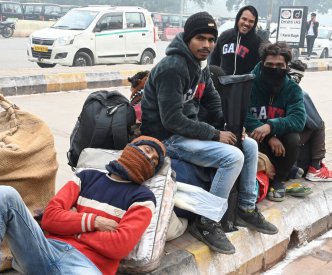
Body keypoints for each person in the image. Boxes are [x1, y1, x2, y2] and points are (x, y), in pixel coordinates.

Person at [141, 11, 277, 255]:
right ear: (188, 38)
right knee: (232, 157)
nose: (207, 45)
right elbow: (171, 120)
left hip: (186, 133)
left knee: (249, 146)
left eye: (211, 40)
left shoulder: (199, 65)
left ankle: (246, 209)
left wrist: (232, 127)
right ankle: (207, 221)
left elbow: (214, 103)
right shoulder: (173, 68)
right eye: (200, 38)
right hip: (165, 138)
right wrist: (215, 135)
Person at [0, 136, 166, 275]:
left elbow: (119, 245)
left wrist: (72, 226)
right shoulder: (86, 177)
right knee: (2, 194)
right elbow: (50, 218)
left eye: (154, 161)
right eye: (147, 150)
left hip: (86, 266)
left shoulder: (143, 198)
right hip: (45, 250)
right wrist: (93, 221)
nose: (149, 158)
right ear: (131, 147)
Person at [244, 42, 306, 202]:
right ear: (262, 63)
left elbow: (298, 119)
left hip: (282, 144)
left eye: (280, 65)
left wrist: (271, 126)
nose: (274, 69)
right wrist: (268, 135)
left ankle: (279, 180)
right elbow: (241, 115)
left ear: (286, 66)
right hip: (257, 141)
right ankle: (276, 174)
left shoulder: (293, 89)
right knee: (253, 137)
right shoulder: (248, 84)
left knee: (294, 138)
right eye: (269, 64)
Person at [288, 60, 332, 181]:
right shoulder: (298, 92)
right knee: (319, 124)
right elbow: (317, 123)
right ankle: (315, 168)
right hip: (281, 139)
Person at [209, 5, 262, 75]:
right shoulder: (224, 36)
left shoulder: (258, 43)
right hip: (223, 83)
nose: (246, 23)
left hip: (246, 84)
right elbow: (214, 62)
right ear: (238, 19)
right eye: (244, 19)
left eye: (251, 21)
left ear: (254, 24)